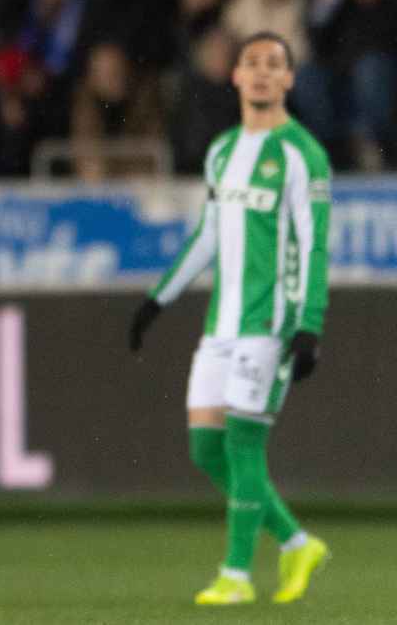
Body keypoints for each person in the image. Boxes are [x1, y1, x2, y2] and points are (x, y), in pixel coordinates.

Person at [128, 31, 332, 606]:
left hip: (271, 324)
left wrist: (310, 322)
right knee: (205, 450)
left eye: (275, 64)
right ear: (236, 76)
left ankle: (236, 575)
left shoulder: (302, 155)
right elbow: (209, 235)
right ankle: (296, 542)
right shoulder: (222, 151)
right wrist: (157, 300)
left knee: (243, 447)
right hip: (220, 325)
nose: (263, 73)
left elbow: (315, 246)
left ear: (289, 80)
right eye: (253, 63)